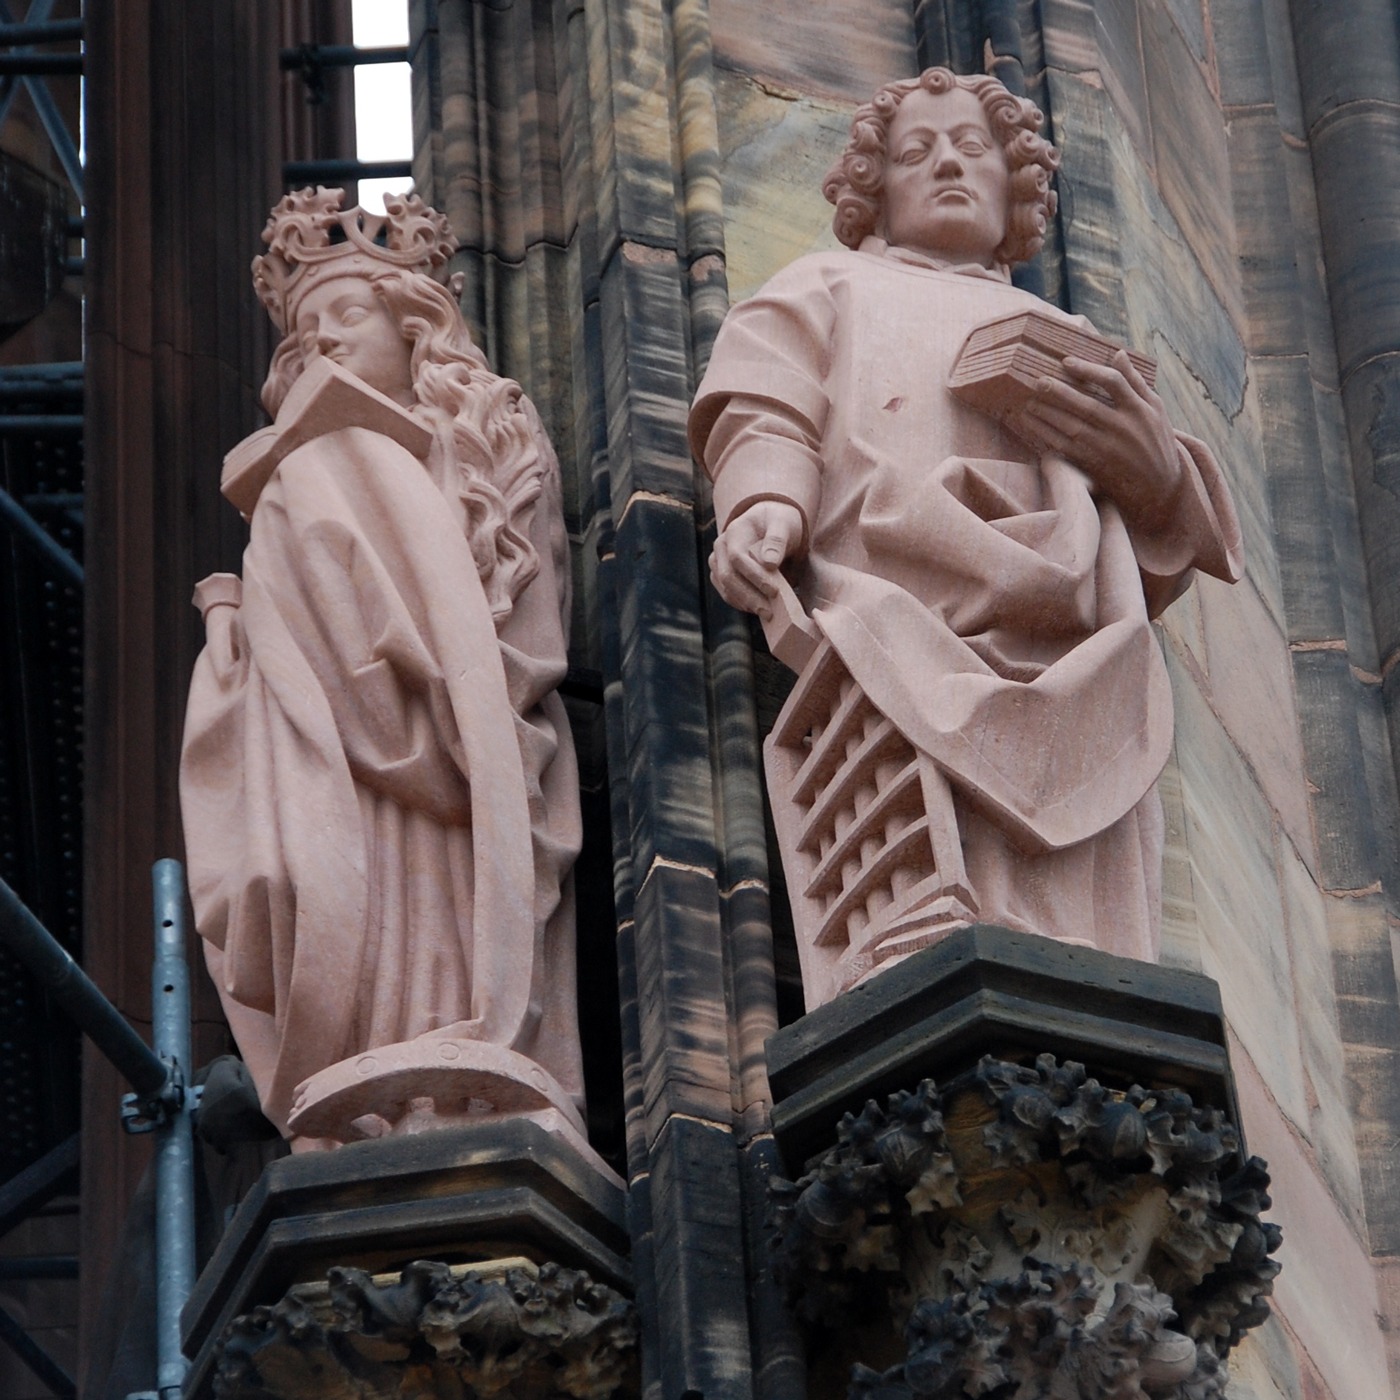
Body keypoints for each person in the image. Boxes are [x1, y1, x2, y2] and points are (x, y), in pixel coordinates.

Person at [689, 69, 1242, 1007]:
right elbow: (765, 409)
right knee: (923, 793)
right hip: (900, 601)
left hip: (1071, 621)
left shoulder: (1066, 333)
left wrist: (1152, 473)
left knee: (1076, 813)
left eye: (973, 148)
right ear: (873, 189)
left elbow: (1168, 528)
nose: (947, 160)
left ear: (1015, 186)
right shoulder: (827, 284)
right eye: (915, 151)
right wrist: (766, 506)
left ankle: (1077, 972)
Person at [180, 189, 584, 1141]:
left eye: (347, 315)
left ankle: (453, 1081)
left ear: (417, 330)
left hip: (458, 746)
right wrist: (245, 644)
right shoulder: (305, 477)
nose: (320, 341)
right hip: (340, 765)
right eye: (304, 329)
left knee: (446, 922)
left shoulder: (485, 431)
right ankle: (370, 1093)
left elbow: (517, 619)